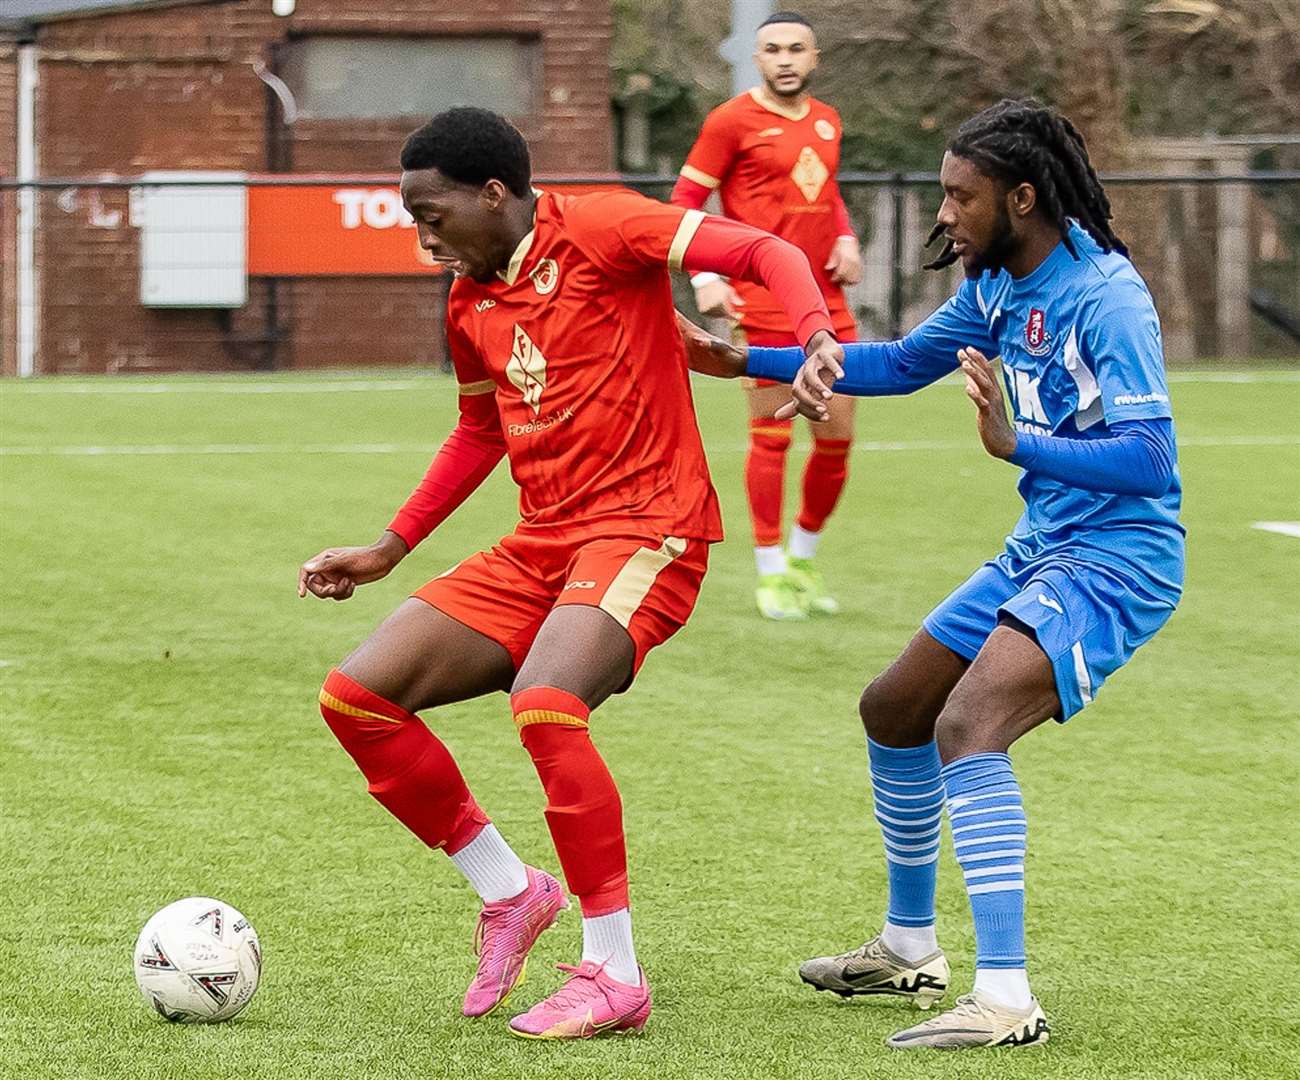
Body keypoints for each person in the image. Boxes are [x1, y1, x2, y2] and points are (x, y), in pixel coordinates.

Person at [298, 106, 842, 1041]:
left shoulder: (603, 226)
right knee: (356, 697)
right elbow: (480, 433)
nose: (423, 237)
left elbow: (763, 253)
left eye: (433, 215)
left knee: (546, 702)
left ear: (494, 193)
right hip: (545, 542)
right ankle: (511, 893)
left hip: (651, 528)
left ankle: (614, 973)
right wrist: (388, 548)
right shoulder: (470, 302)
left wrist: (816, 334)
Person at [739, 97, 1184, 1049]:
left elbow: (1151, 458)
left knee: (969, 722)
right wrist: (740, 355)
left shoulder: (1105, 298)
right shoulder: (994, 287)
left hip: (1120, 560)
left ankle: (1007, 999)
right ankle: (909, 947)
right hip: (1045, 547)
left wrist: (1019, 442)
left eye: (959, 196)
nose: (944, 213)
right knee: (894, 708)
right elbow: (900, 365)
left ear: (1023, 197)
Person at [671, 9, 863, 621]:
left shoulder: (829, 122)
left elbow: (826, 195)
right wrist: (704, 275)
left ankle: (804, 557)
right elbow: (684, 202)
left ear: (814, 59)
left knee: (836, 440)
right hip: (763, 298)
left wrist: (846, 236)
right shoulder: (730, 121)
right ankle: (770, 569)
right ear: (757, 59)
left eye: (796, 49)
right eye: (773, 48)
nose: (784, 58)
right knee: (772, 438)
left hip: (828, 301)